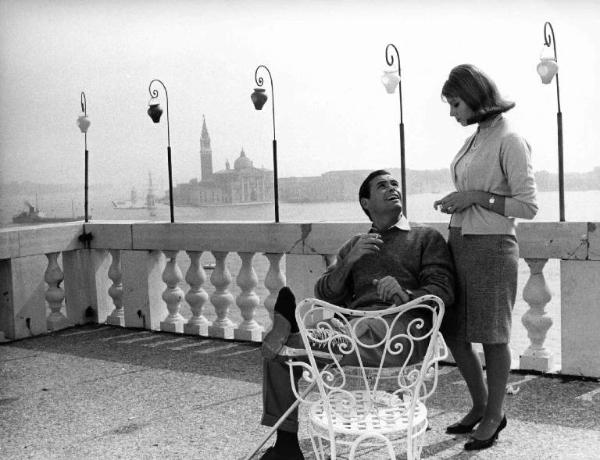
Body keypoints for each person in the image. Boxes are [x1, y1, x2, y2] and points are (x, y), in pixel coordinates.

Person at [259, 169, 455, 460]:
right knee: (276, 353)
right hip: (356, 334)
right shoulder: (355, 244)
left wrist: (404, 294)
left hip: (399, 336)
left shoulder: (425, 237)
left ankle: (294, 327)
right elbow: (326, 293)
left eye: (394, 184)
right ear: (366, 203)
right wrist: (349, 261)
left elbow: (444, 291)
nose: (392, 188)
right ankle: (286, 445)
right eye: (382, 186)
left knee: (294, 343)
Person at [434, 64, 538, 451]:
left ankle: (495, 414)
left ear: (475, 98)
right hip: (460, 242)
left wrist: (474, 197)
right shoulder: (478, 136)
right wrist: (457, 201)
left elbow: (527, 206)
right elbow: (473, 188)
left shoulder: (510, 139)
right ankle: (479, 404)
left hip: (493, 247)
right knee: (454, 331)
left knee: (494, 336)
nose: (452, 113)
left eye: (456, 103)